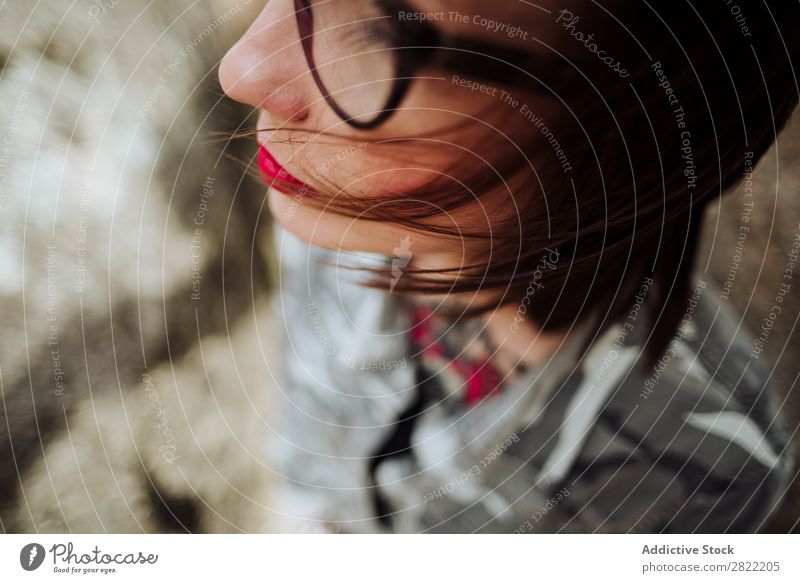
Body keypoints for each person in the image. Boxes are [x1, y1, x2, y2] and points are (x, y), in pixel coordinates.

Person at [219, 0, 798, 532]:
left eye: (384, 35)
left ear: (622, 127)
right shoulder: (335, 204)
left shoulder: (700, 475)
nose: (243, 71)